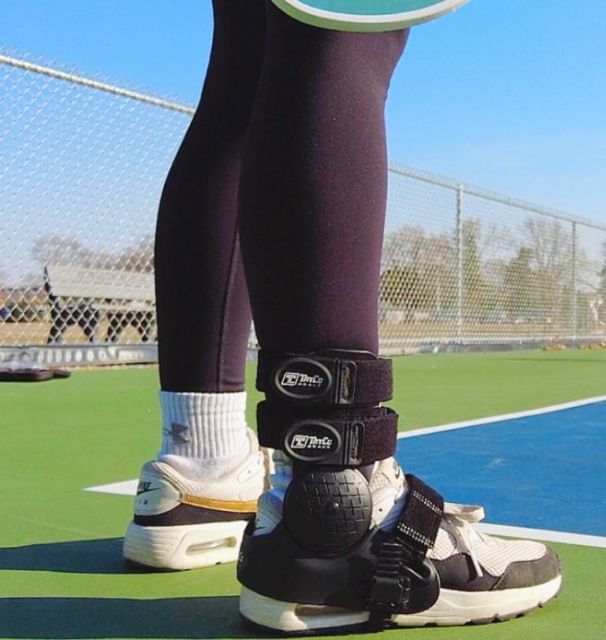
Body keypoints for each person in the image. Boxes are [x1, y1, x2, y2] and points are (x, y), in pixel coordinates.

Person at [123, 0, 562, 633]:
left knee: (243, 76)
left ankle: (202, 462)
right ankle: (337, 513)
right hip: (347, 530)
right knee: (343, 28)